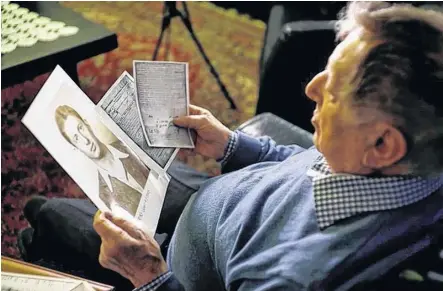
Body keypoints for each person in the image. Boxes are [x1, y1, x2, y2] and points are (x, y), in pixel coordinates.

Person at [19, 2, 443, 290]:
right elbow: (309, 163)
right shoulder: (404, 167)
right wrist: (232, 145)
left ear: (384, 144)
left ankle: (37, 234)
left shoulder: (296, 275)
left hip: (179, 260)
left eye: (333, 92)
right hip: (226, 200)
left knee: (49, 211)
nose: (311, 89)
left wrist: (148, 272)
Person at [54, 105, 149, 216]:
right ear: (74, 147)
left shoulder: (127, 143)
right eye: (76, 138)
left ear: (87, 124)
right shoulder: (104, 196)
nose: (85, 141)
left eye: (81, 128)